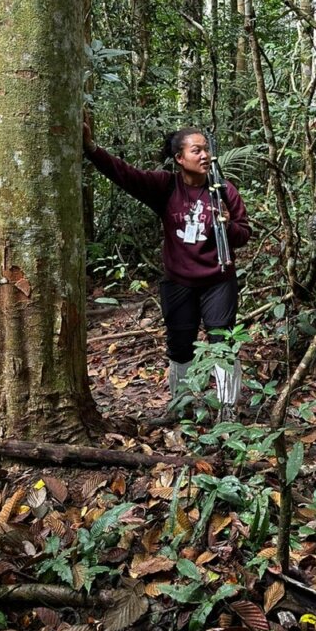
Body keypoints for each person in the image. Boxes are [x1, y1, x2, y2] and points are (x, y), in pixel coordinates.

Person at [83, 121, 251, 416]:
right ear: (179, 158)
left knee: (222, 343)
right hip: (178, 283)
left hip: (218, 281)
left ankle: (227, 412)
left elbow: (244, 234)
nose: (205, 155)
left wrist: (227, 226)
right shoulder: (166, 186)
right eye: (196, 150)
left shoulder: (223, 190)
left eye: (206, 149)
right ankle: (181, 409)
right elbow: (126, 174)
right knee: (180, 347)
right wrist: (91, 149)